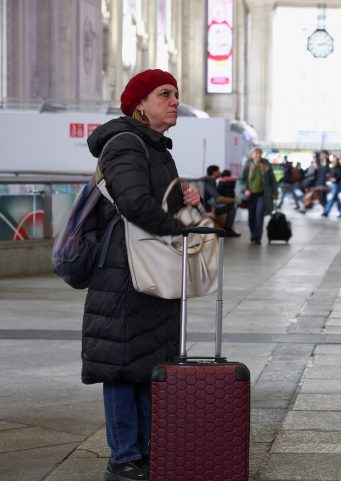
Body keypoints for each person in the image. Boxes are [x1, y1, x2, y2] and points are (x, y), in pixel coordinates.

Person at [83, 69, 201, 481]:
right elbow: (134, 202)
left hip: (146, 268)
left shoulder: (155, 148)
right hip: (123, 271)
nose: (174, 101)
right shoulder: (125, 143)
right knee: (120, 365)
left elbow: (154, 204)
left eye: (176, 94)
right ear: (139, 104)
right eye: (164, 94)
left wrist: (187, 203)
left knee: (147, 361)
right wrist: (179, 227)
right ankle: (124, 456)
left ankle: (145, 450)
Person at [238, 148, 277, 245]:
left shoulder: (265, 164)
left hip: (262, 195)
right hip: (251, 195)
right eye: (256, 153)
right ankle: (253, 234)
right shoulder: (247, 165)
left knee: (259, 215)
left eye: (260, 153)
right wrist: (245, 190)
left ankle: (258, 237)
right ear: (252, 155)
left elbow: (272, 180)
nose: (258, 155)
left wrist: (274, 192)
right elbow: (241, 180)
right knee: (251, 217)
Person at [202, 164, 240, 237]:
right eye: (218, 171)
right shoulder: (209, 181)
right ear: (214, 172)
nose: (220, 172)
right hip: (208, 209)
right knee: (231, 207)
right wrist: (233, 200)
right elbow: (218, 198)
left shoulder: (210, 181)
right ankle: (227, 230)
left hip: (209, 206)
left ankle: (227, 229)